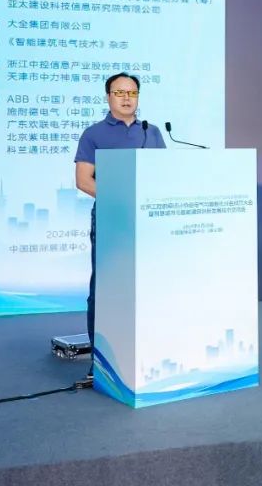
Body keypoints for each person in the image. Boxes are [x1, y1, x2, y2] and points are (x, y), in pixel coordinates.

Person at [74, 73, 165, 375]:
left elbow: (164, 174)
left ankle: (146, 354)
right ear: (108, 97)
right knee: (106, 286)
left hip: (149, 218)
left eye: (132, 93)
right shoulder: (94, 134)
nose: (127, 98)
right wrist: (121, 197)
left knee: (150, 284)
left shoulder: (151, 132)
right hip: (112, 217)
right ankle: (101, 361)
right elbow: (83, 180)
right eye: (120, 92)